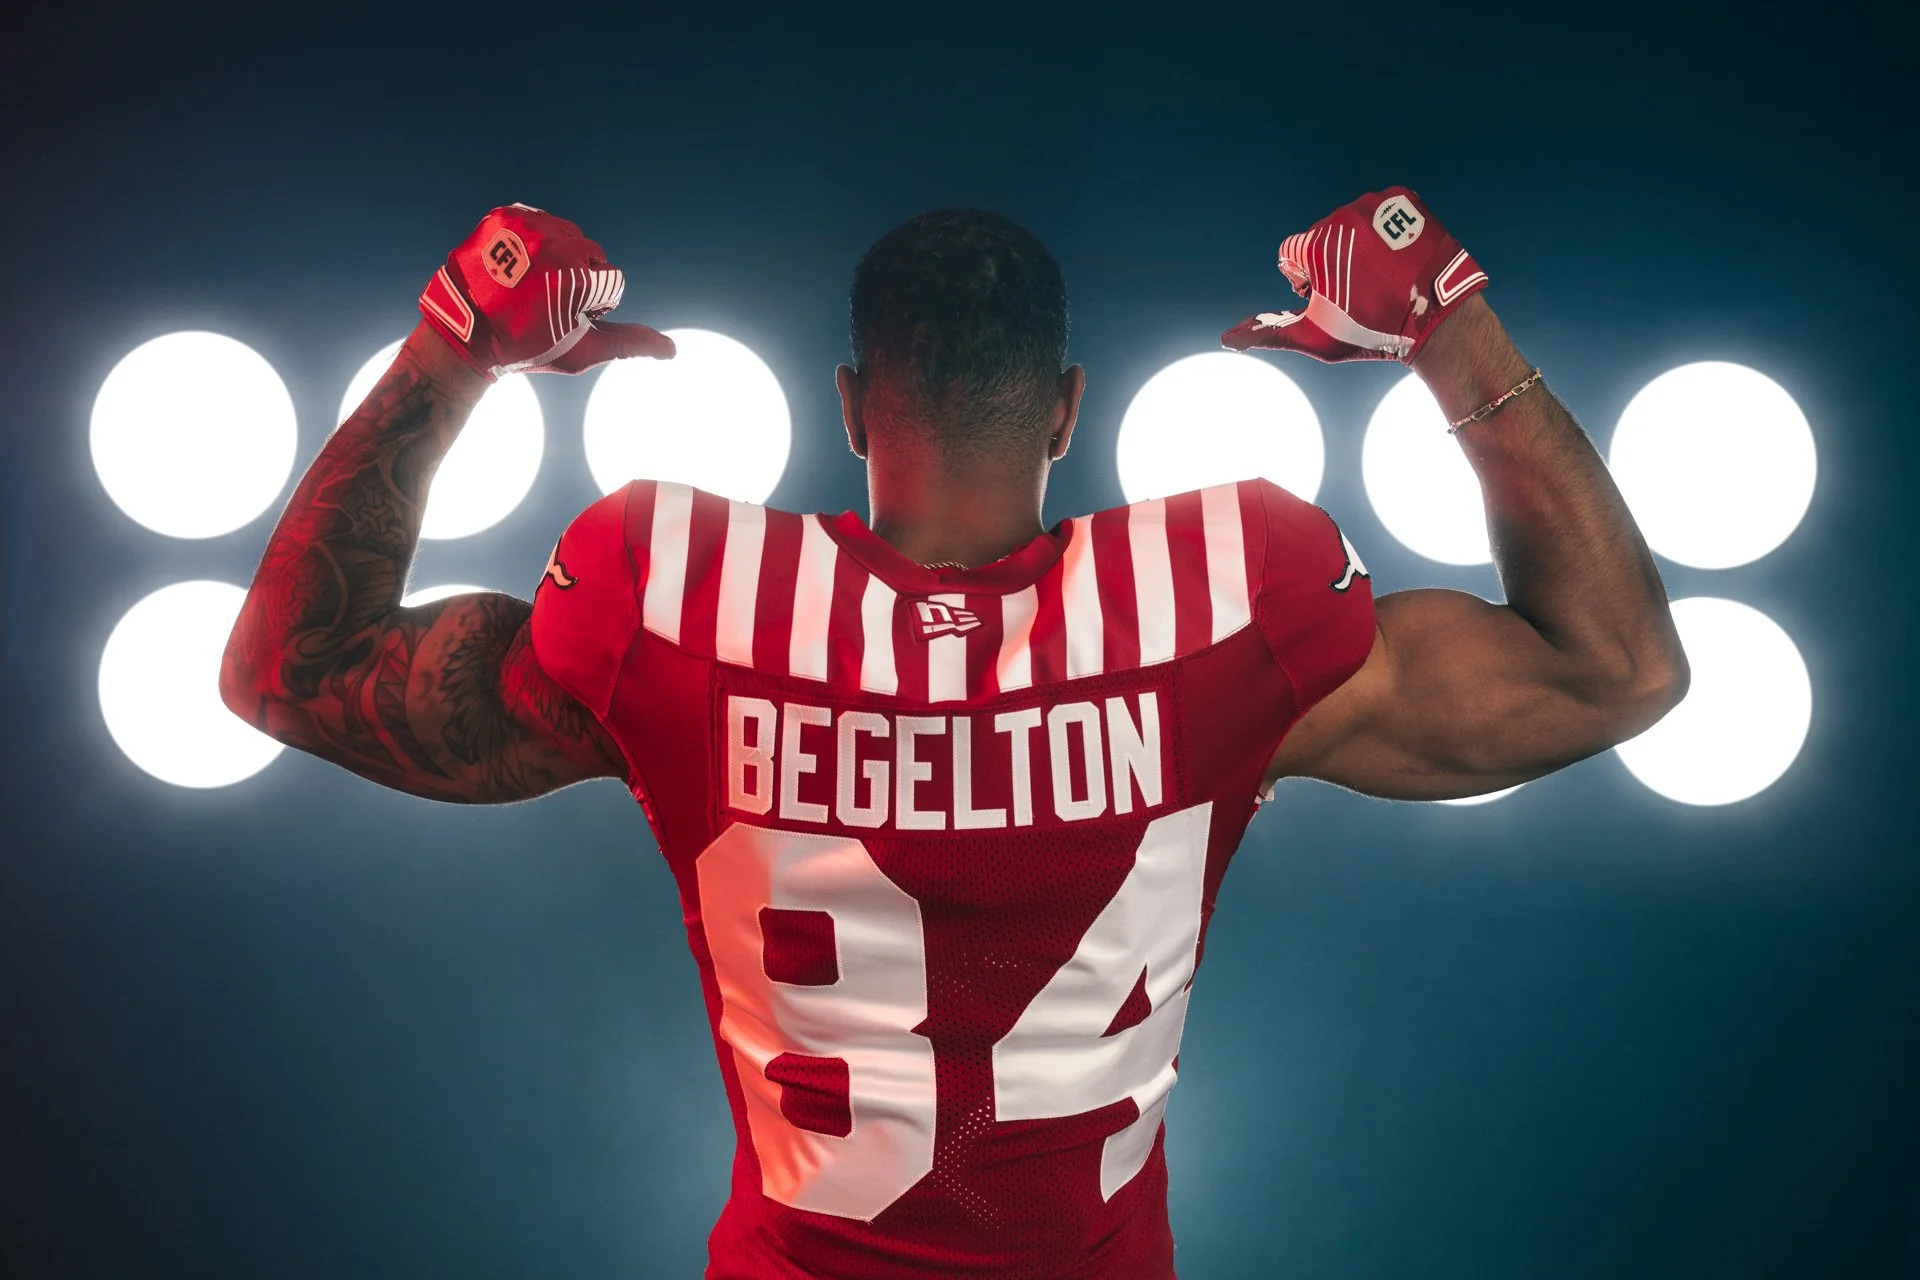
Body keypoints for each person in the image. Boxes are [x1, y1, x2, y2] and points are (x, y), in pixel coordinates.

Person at [222, 190, 1687, 1278]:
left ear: (855, 408)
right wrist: (1445, 319)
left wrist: (459, 341)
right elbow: (1613, 670)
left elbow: (289, 671)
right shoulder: (1225, 605)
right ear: (1065, 411)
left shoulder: (676, 603)